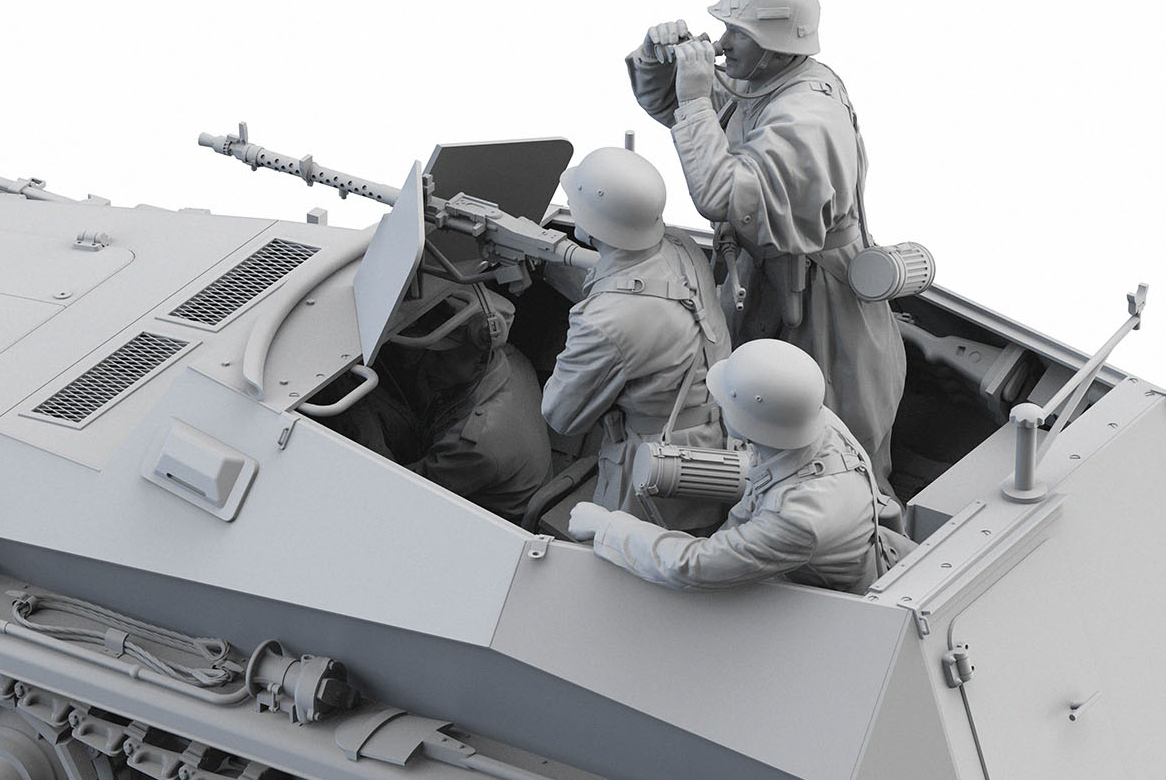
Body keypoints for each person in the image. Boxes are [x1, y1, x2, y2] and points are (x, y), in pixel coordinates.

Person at [627, 0, 906, 495]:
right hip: (765, 286)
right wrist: (656, 61)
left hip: (820, 308)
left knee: (834, 454)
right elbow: (688, 114)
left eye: (739, 34)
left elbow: (722, 194)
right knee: (759, 429)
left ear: (777, 49)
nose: (724, 43)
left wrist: (695, 100)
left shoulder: (808, 116)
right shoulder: (765, 78)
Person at [568, 340, 892, 592]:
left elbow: (693, 566)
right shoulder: (820, 424)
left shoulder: (796, 520)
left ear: (747, 422)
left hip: (827, 601)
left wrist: (607, 527)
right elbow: (772, 476)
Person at [542, 146, 732, 531]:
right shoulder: (681, 246)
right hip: (718, 438)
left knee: (624, 549)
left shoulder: (603, 322)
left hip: (654, 464)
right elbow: (634, 292)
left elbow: (561, 415)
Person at [341, 283, 551, 524]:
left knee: (355, 412)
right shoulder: (508, 357)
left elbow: (398, 491)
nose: (428, 365)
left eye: (441, 357)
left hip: (473, 523)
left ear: (479, 361)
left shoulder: (475, 445)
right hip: (466, 473)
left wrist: (364, 430)